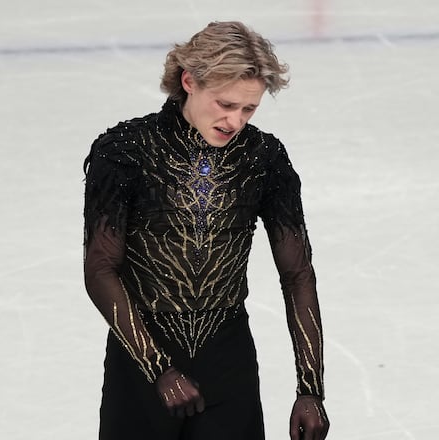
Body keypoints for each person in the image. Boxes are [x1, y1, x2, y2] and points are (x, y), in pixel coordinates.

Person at [83, 21, 329, 440]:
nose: (235, 121)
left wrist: (310, 390)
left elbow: (298, 274)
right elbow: (100, 268)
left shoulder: (264, 158)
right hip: (140, 366)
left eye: (249, 109)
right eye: (225, 104)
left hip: (228, 361)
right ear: (189, 81)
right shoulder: (125, 151)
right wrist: (157, 368)